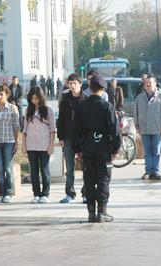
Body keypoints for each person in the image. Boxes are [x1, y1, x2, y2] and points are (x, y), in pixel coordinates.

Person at [72, 74, 121, 223]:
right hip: (103, 147)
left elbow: (75, 130)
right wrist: (115, 149)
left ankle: (91, 212)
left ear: (90, 88)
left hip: (87, 146)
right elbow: (115, 130)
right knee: (103, 179)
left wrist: (77, 149)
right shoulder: (107, 106)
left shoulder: (81, 106)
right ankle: (102, 211)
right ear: (102, 89)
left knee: (89, 179)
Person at [57, 73, 88, 204]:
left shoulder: (86, 99)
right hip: (68, 137)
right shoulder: (65, 99)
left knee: (86, 167)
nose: (72, 86)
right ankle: (70, 193)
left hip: (83, 138)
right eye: (70, 84)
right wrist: (61, 136)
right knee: (69, 168)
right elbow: (61, 119)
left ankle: (86, 193)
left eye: (75, 83)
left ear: (80, 84)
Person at [0, 85, 20, 204]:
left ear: (7, 95)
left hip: (9, 141)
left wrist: (16, 141)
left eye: (2, 94)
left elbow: (16, 126)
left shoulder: (12, 108)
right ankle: (1, 193)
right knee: (0, 169)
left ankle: (9, 193)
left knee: (8, 168)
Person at [22, 87, 56, 204]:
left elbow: (52, 129)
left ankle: (45, 194)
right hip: (31, 145)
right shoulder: (28, 111)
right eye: (32, 98)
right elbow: (25, 130)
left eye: (36, 98)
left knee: (44, 170)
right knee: (34, 171)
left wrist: (51, 145)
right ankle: (36, 194)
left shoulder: (48, 110)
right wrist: (24, 145)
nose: (34, 101)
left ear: (41, 98)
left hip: (44, 144)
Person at [134, 76, 161, 180]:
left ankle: (156, 171)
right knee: (147, 152)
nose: (148, 84)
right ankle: (148, 172)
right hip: (144, 129)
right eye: (146, 83)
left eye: (150, 82)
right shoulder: (140, 97)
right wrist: (137, 126)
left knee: (156, 152)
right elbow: (136, 113)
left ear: (155, 84)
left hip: (157, 129)